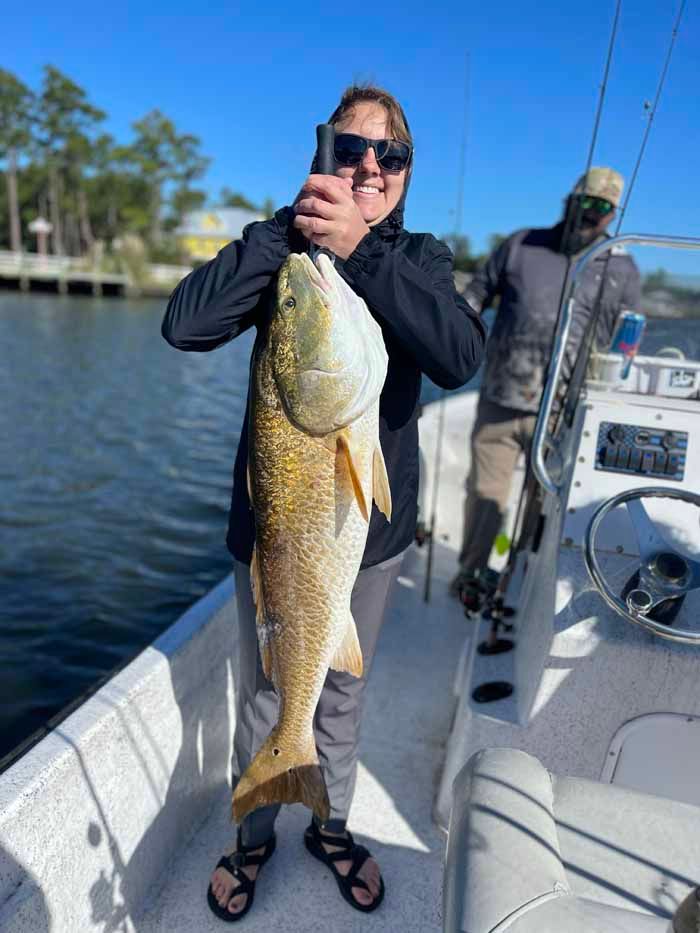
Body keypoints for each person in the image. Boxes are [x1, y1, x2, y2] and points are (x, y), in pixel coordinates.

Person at [162, 84, 485, 922]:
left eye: (390, 155)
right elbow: (186, 324)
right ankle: (253, 839)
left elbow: (458, 355)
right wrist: (288, 232)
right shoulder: (286, 254)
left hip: (365, 538)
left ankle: (331, 826)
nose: (368, 166)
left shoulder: (423, 259)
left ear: (408, 173)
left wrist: (366, 253)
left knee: (339, 693)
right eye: (349, 149)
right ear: (322, 155)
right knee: (272, 689)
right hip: (275, 531)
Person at [451, 167, 641, 604]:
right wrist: (450, 333)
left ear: (613, 215)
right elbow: (476, 297)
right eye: (585, 202)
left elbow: (626, 345)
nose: (590, 214)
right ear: (570, 199)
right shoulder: (521, 245)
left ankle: (518, 579)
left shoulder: (623, 271)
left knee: (543, 510)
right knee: (485, 497)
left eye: (602, 208)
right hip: (501, 399)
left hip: (563, 416)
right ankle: (472, 574)